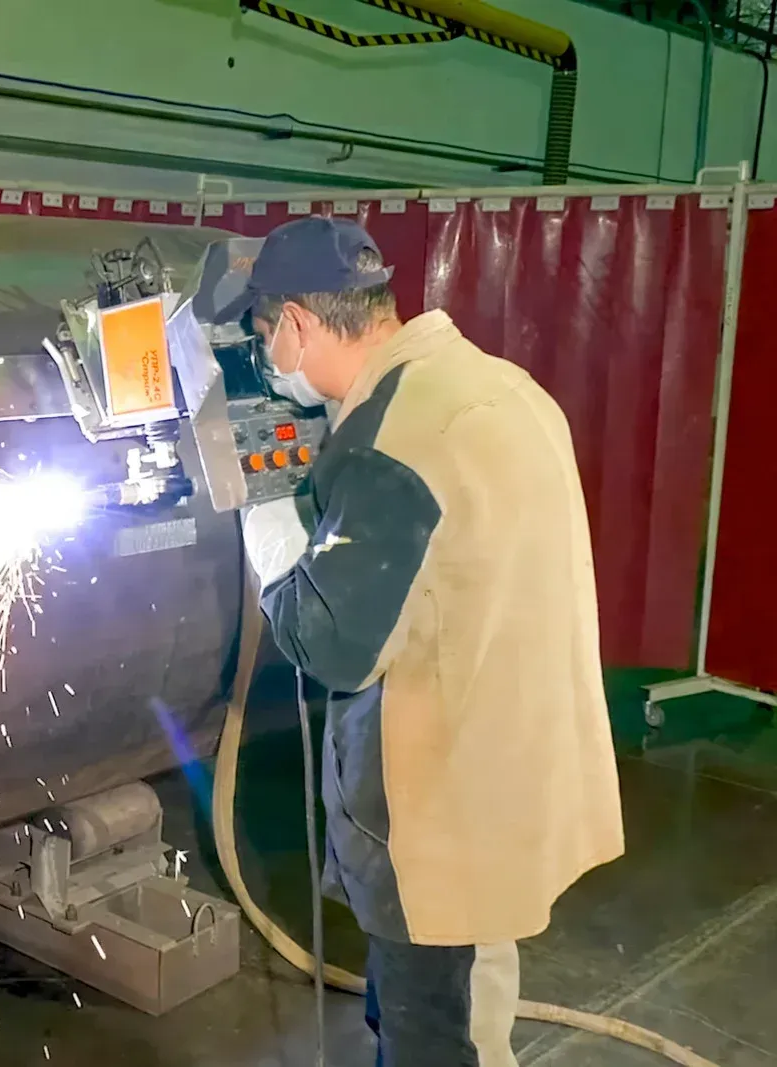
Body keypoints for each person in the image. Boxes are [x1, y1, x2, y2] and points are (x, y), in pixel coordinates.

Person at [236, 216, 625, 1066]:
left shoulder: (390, 444)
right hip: (514, 765)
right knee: (476, 1003)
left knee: (428, 1032)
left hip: (442, 806)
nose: (269, 362)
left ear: (298, 324)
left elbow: (330, 644)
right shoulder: (499, 386)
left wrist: (260, 518)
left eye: (265, 338)